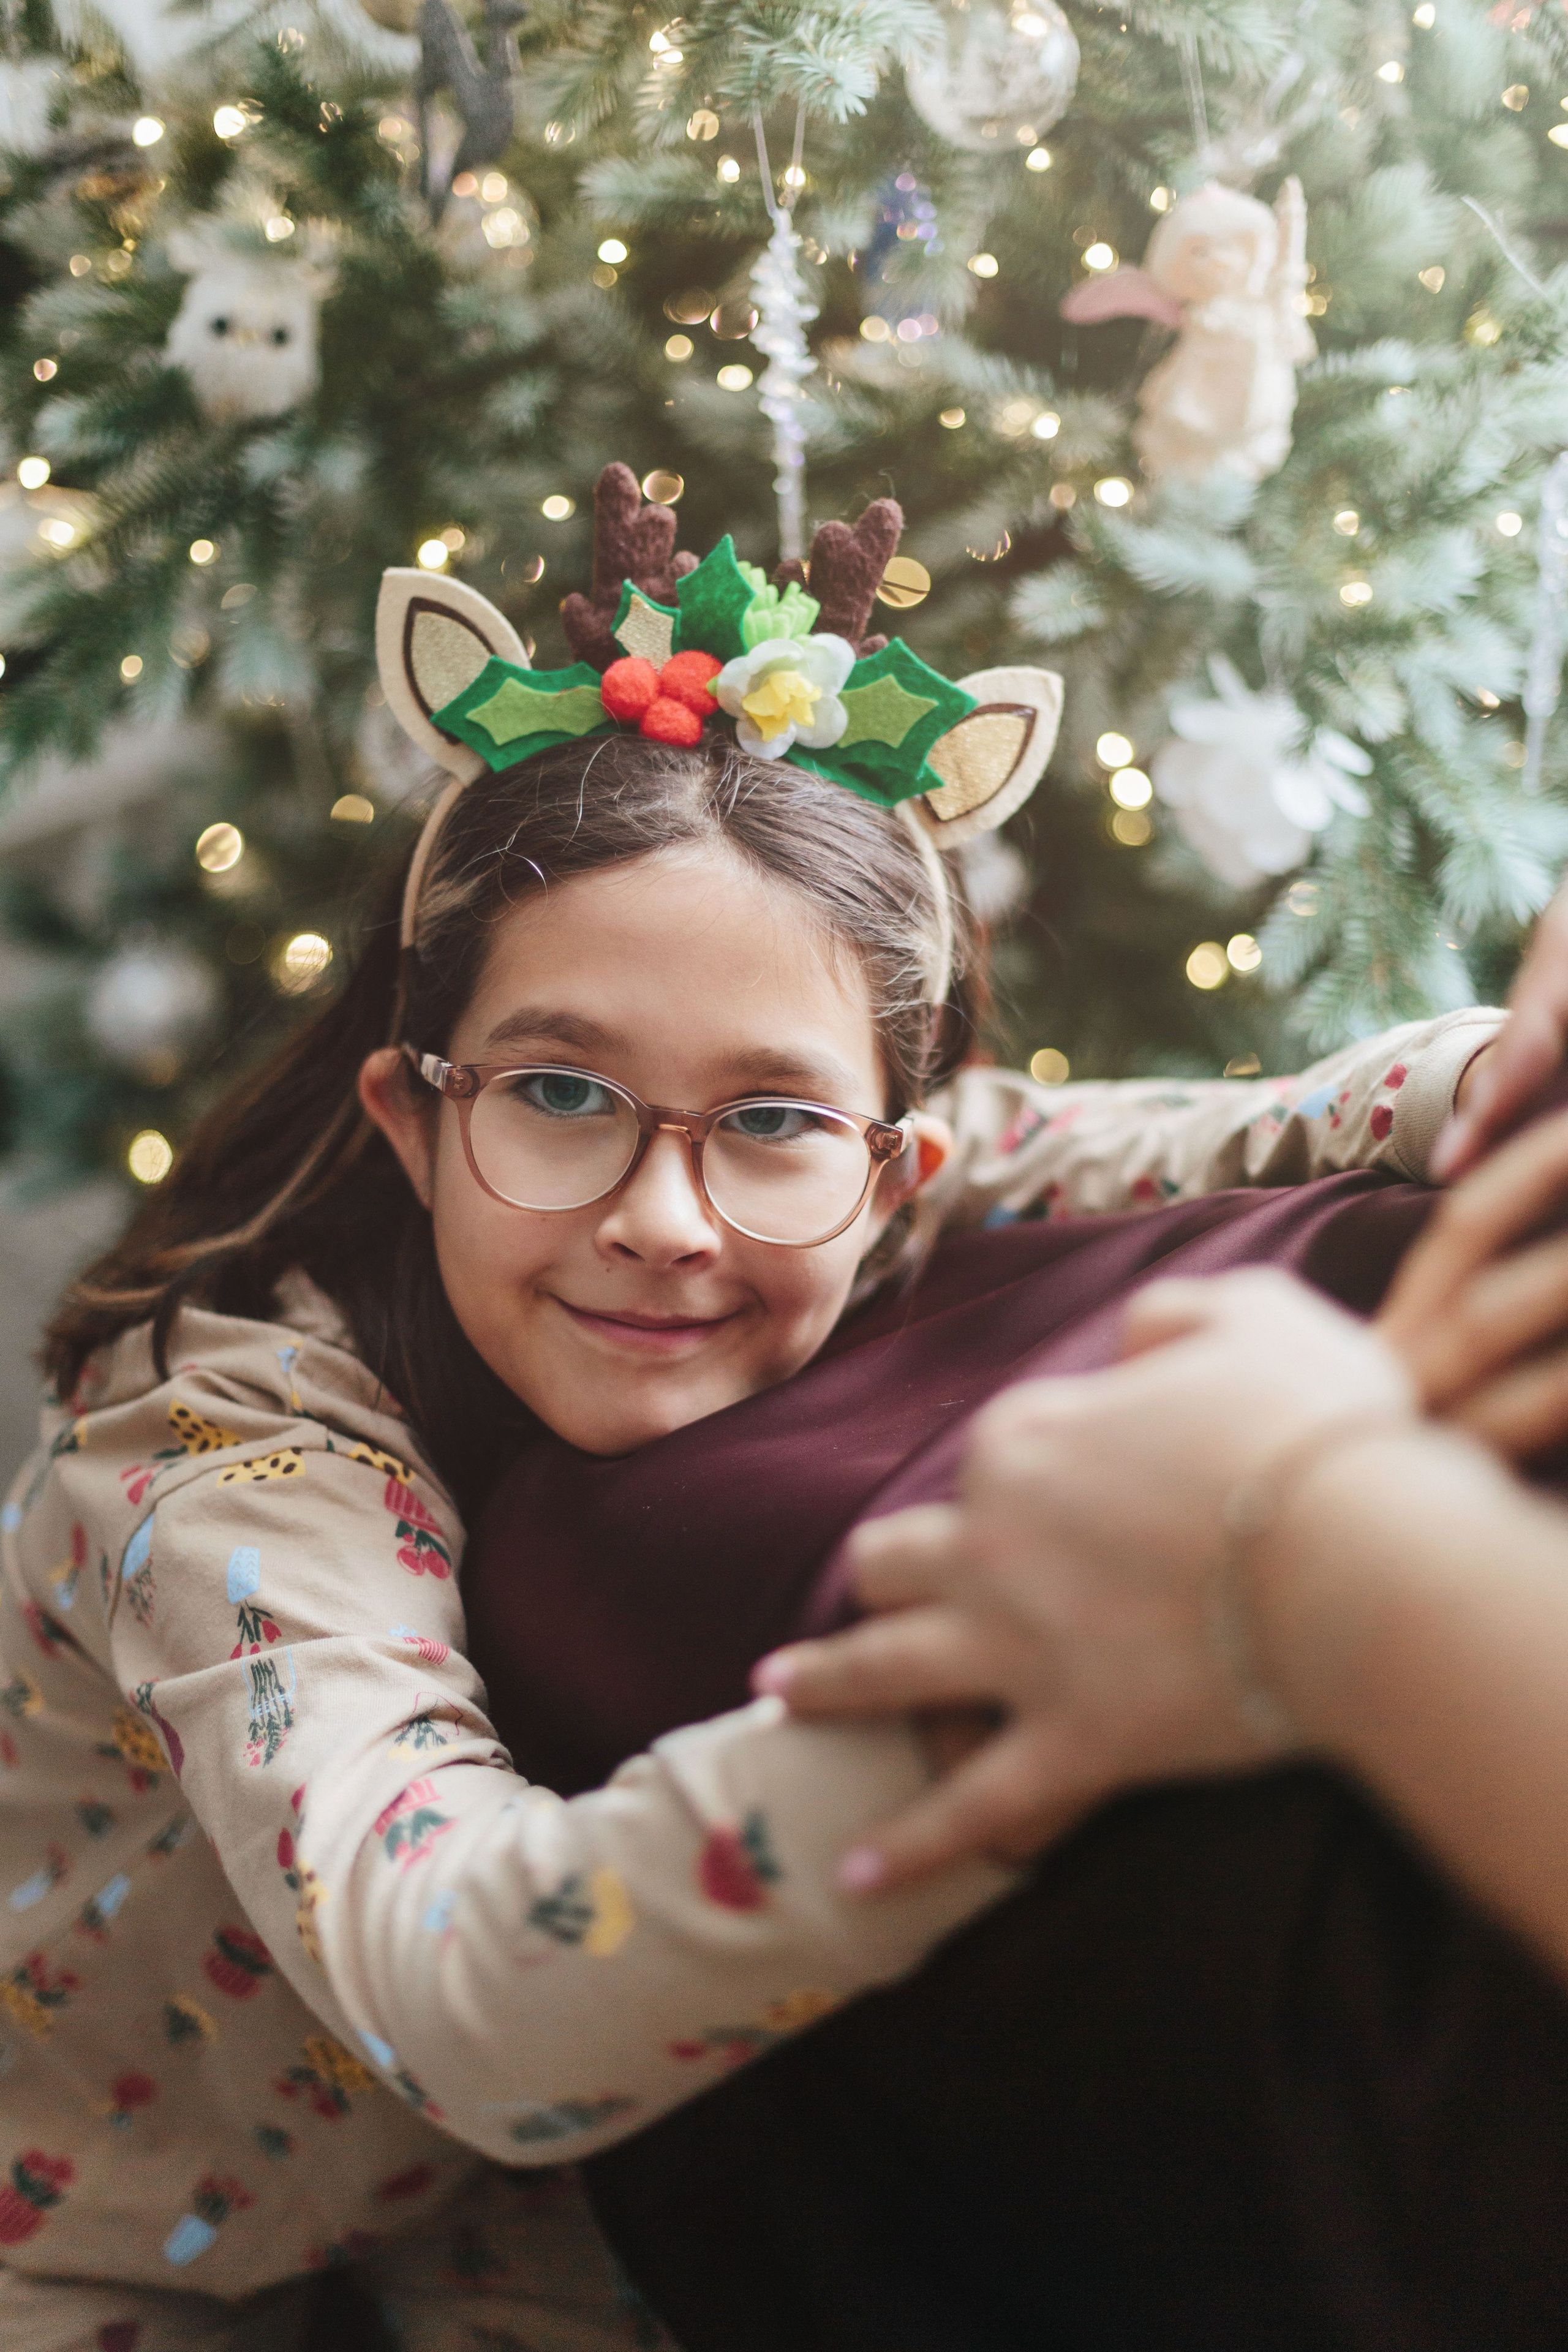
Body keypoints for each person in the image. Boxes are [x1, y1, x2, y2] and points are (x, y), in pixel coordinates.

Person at [0, 466, 1509, 2351]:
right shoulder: (222, 1453)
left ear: (896, 1168)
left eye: (776, 1121)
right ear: (414, 1112)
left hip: (516, 2224)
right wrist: (1024, 1677)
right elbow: (452, 1976)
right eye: (558, 1093)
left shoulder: (878, 1175)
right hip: (117, 2269)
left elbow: (1256, 1124)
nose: (662, 1216)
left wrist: (1505, 1102)